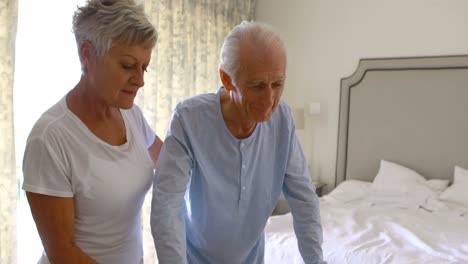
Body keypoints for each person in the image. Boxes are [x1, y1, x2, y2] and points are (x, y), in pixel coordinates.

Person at [151, 21, 325, 264]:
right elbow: (166, 207)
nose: (270, 99)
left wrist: (316, 261)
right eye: (257, 86)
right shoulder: (189, 118)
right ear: (226, 79)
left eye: (278, 84)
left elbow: (305, 200)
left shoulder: (282, 120)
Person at [22, 0, 162, 263]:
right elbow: (63, 253)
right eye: (128, 66)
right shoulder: (50, 138)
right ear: (87, 54)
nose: (141, 80)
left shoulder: (131, 114)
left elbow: (168, 160)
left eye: (144, 67)